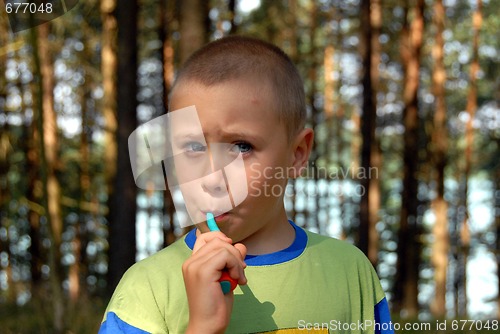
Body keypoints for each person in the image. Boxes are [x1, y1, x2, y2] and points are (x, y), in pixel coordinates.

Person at [99, 36, 394, 334]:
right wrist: (203, 327)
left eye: (242, 147)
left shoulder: (349, 273)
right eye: (192, 147)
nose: (212, 179)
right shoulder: (146, 291)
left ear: (297, 154)